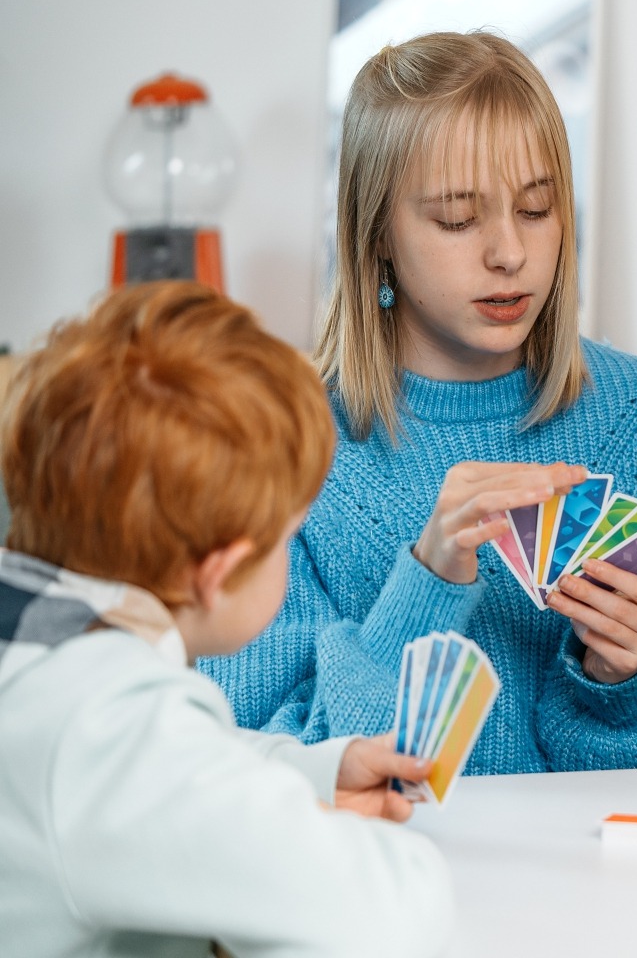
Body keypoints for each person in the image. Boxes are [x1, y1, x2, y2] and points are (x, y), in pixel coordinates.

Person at [199, 30, 637, 773]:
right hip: (383, 883)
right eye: (457, 219)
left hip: (616, 887)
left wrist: (634, 685)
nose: (509, 253)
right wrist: (426, 583)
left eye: (538, 209)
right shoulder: (281, 452)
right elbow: (251, 774)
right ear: (376, 232)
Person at [0, 282, 453, 956]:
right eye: (286, 539)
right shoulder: (105, 717)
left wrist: (313, 775)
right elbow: (394, 909)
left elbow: (162, 767)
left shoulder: (45, 648)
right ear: (219, 572)